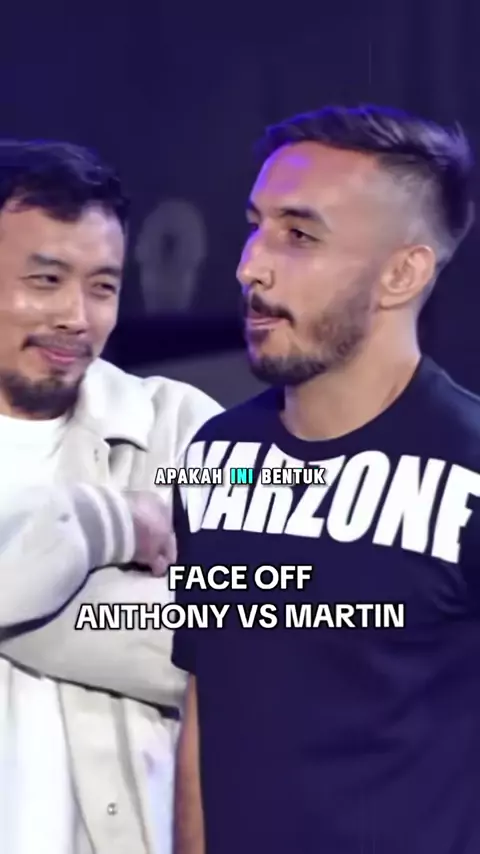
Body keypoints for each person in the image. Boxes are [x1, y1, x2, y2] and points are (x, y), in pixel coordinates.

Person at [171, 104, 480, 854]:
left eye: (300, 235)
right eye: (256, 225)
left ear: (402, 273)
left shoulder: (468, 468)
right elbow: (205, 711)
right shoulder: (217, 456)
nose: (251, 265)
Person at [0, 139, 222, 854]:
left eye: (102, 287)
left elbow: (254, 641)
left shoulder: (185, 433)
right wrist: (114, 523)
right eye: (45, 280)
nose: (77, 316)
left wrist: (34, 582)